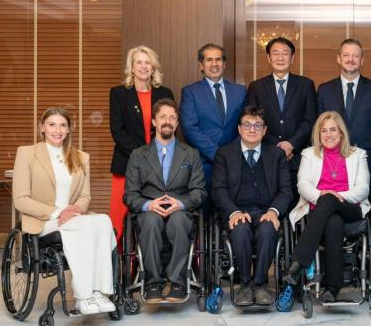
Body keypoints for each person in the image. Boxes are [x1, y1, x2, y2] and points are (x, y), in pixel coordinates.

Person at [13, 107, 117, 315]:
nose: (57, 130)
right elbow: (21, 199)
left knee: (104, 220)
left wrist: (76, 209)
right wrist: (57, 213)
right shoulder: (27, 153)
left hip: (74, 218)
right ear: (42, 127)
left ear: (69, 130)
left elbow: (85, 196)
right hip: (44, 221)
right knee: (82, 226)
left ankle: (99, 291)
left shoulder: (80, 157)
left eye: (62, 125)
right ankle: (83, 295)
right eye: (52, 124)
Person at [280, 111, 371, 308]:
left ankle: (297, 265)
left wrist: (337, 197)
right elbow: (302, 185)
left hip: (350, 208)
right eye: (324, 131)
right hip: (320, 210)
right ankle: (332, 288)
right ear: (318, 134)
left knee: (329, 201)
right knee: (333, 222)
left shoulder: (358, 154)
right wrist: (323, 197)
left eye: (333, 129)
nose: (328, 135)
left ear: (341, 132)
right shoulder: (309, 154)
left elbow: (363, 188)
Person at [123, 99, 207, 304]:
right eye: (163, 117)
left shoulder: (191, 154)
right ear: (153, 121)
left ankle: (178, 282)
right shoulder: (137, 155)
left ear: (177, 123)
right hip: (150, 209)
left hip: (181, 209)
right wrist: (147, 205)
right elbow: (129, 194)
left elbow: (199, 191)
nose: (167, 121)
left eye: (172, 117)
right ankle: (153, 282)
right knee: (151, 221)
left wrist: (182, 203)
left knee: (179, 221)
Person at [212, 105, 292, 307]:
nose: (252, 129)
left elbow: (286, 190)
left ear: (265, 130)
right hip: (237, 211)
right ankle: (245, 284)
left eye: (258, 125)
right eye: (247, 124)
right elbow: (218, 190)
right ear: (239, 129)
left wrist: (274, 211)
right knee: (239, 230)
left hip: (266, 211)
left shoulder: (276, 155)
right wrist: (233, 212)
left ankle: (261, 284)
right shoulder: (224, 154)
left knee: (267, 230)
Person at [109, 45, 174, 244]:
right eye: (139, 62)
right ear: (131, 67)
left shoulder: (164, 92)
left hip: (160, 165)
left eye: (148, 62)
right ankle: (117, 266)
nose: (144, 66)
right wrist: (143, 155)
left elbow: (169, 126)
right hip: (127, 164)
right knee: (119, 220)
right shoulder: (119, 93)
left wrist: (154, 156)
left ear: (153, 67)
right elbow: (117, 131)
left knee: (155, 216)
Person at [317, 38, 371, 207]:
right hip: (332, 162)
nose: (351, 59)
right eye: (346, 55)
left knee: (365, 212)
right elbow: (318, 128)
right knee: (333, 210)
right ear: (338, 58)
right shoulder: (324, 90)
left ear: (362, 60)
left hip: (367, 161)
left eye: (355, 56)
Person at [247, 37, 317, 206]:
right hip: (266, 155)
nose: (280, 58)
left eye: (285, 54)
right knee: (268, 203)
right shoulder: (256, 86)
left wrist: (291, 144)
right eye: (275, 53)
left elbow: (310, 119)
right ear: (268, 58)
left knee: (296, 204)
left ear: (292, 58)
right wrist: (278, 147)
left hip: (297, 157)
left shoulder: (305, 85)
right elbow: (253, 122)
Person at [180, 43, 246, 190]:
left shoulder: (240, 91)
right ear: (201, 65)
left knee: (233, 209)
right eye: (209, 60)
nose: (214, 64)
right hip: (203, 164)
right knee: (206, 209)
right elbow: (190, 128)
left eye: (218, 59)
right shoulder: (190, 92)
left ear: (224, 64)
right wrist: (217, 154)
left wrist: (232, 153)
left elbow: (246, 125)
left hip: (236, 162)